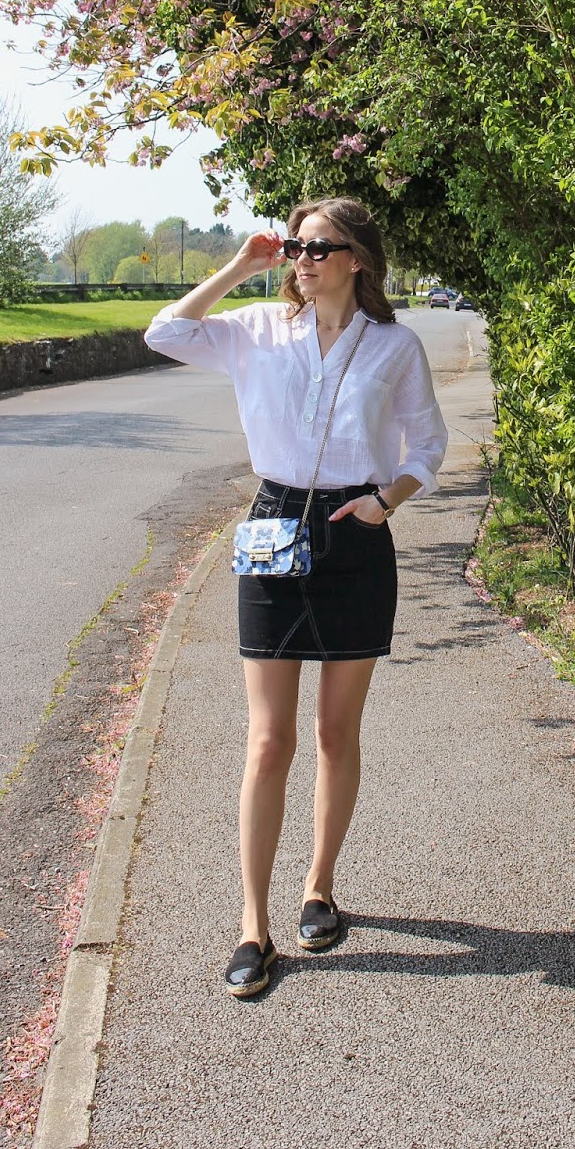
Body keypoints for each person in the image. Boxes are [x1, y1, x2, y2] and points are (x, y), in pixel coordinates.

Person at [145, 197, 448, 997]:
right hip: (275, 524)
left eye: (321, 247)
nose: (303, 259)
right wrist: (242, 265)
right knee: (268, 741)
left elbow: (429, 444)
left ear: (357, 259)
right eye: (296, 247)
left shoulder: (394, 346)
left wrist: (389, 500)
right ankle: (253, 925)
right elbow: (166, 333)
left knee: (334, 731)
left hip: (355, 531)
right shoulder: (256, 330)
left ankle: (319, 888)